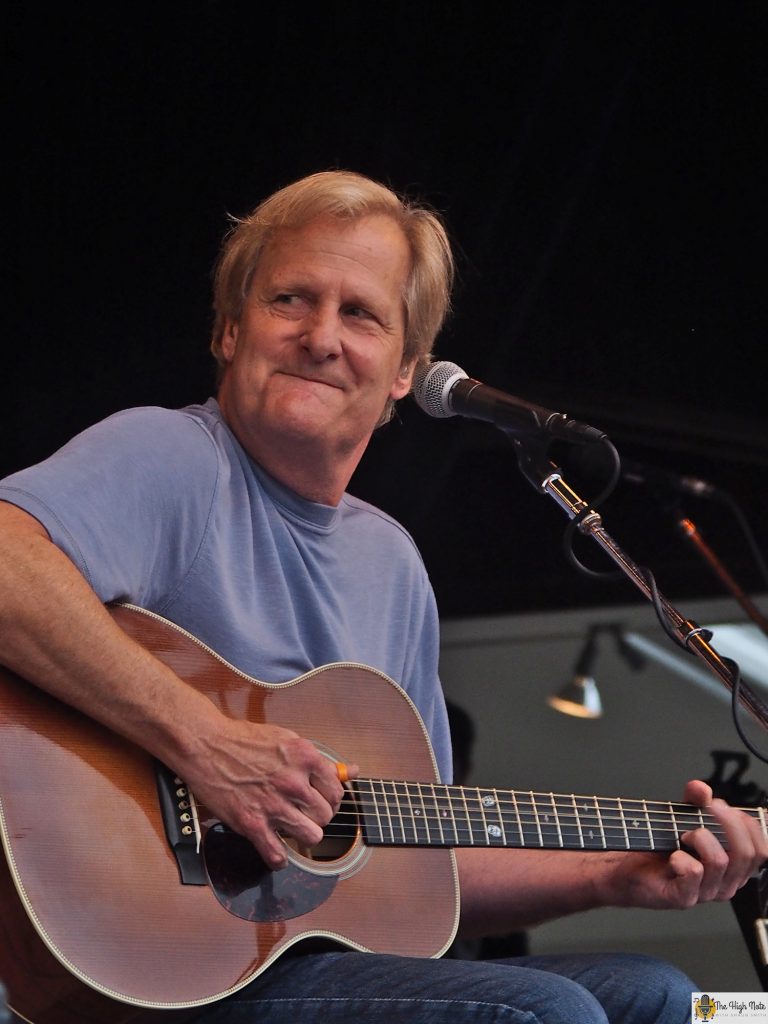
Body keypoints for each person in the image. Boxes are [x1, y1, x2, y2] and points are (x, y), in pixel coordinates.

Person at [0, 170, 765, 1024]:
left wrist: (615, 876)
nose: (321, 337)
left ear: (407, 371)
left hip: (282, 957)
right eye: (290, 299)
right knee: (547, 1013)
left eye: (360, 313)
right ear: (228, 330)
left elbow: (414, 856)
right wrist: (207, 742)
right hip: (151, 962)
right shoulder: (172, 457)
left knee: (661, 995)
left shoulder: (391, 563)